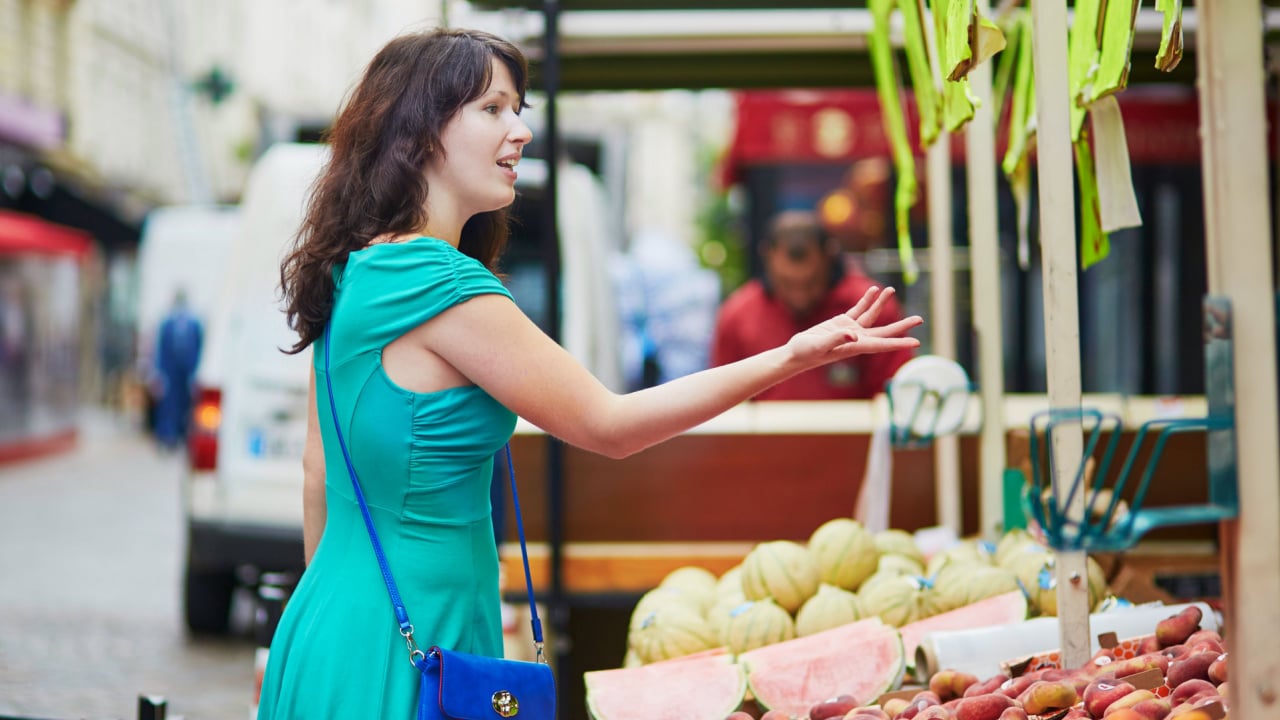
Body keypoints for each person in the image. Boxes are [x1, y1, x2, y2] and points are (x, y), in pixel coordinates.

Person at [262, 28, 922, 718]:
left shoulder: (357, 269)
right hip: (419, 634)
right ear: (420, 129)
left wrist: (345, 628)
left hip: (334, 626)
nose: (519, 132)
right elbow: (609, 426)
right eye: (492, 109)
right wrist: (790, 356)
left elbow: (319, 472)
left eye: (517, 109)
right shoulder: (437, 281)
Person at [710, 209, 915, 400]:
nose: (800, 296)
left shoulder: (872, 309)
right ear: (767, 258)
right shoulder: (737, 315)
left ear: (829, 257)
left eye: (811, 282)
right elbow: (721, 399)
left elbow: (898, 398)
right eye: (787, 283)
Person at [151, 289, 203, 449]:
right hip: (170, 371)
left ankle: (182, 436)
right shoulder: (167, 324)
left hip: (186, 371)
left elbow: (199, 348)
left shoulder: (194, 324)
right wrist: (158, 373)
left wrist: (196, 373)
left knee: (185, 405)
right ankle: (167, 436)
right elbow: (160, 350)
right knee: (168, 405)